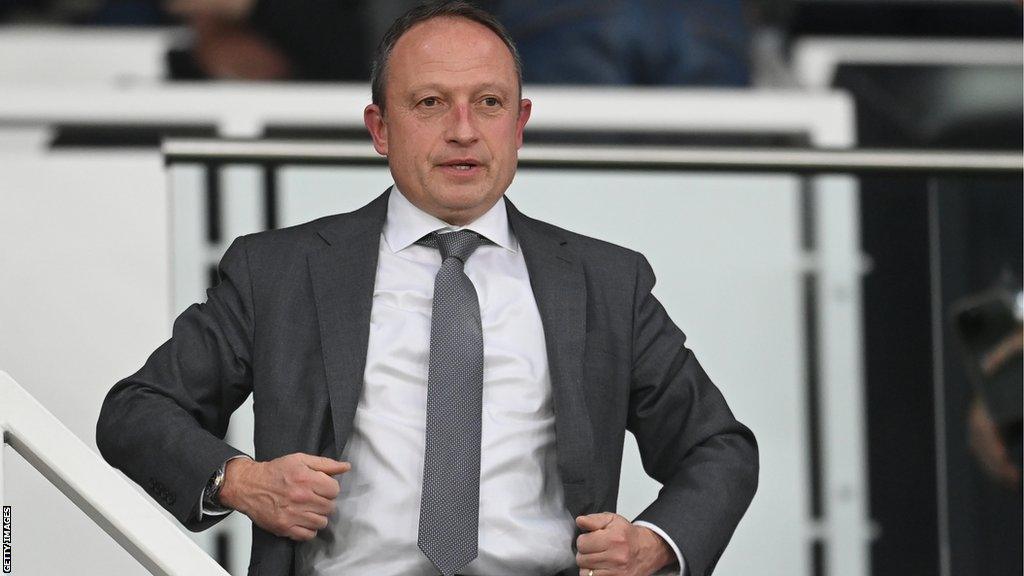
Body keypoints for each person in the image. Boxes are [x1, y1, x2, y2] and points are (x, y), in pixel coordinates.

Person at [96, 2, 758, 575]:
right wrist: (241, 481)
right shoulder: (278, 270)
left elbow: (717, 447)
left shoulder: (605, 281)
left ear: (519, 124)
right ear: (380, 128)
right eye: (431, 103)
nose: (463, 130)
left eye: (489, 104)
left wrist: (655, 545)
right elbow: (136, 413)